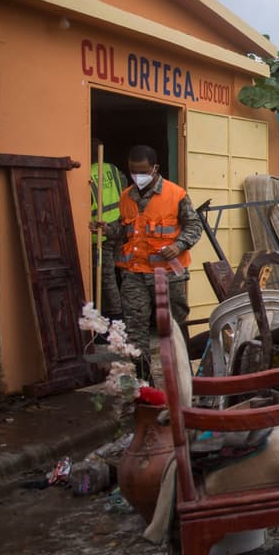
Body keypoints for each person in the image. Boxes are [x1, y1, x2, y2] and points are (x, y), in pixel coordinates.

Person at [90, 145, 200, 380]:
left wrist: (178, 245)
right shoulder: (126, 196)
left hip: (168, 274)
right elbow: (125, 228)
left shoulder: (176, 194)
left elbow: (194, 226)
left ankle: (185, 382)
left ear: (154, 169)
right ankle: (143, 386)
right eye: (133, 171)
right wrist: (107, 229)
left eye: (142, 171)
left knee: (174, 328)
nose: (137, 176)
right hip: (134, 274)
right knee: (135, 332)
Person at [89, 137, 126, 318]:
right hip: (119, 227)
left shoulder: (87, 175)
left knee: (107, 279)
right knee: (125, 274)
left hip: (101, 234)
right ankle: (126, 315)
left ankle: (116, 319)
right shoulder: (113, 169)